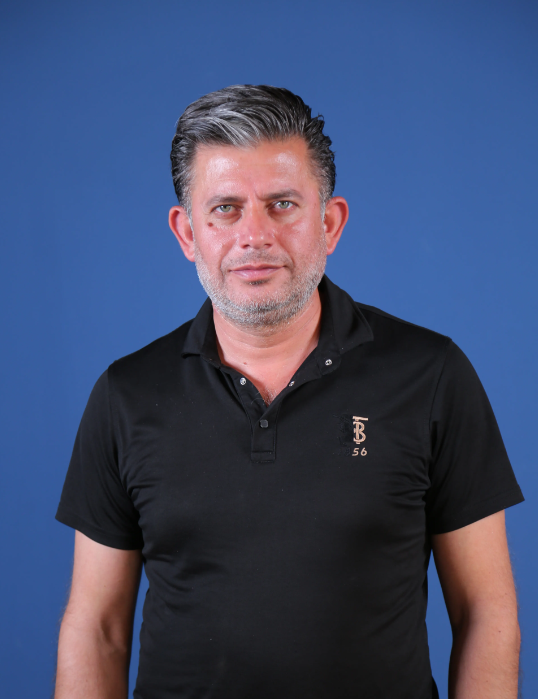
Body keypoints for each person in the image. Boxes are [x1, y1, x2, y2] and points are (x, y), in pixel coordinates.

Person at [54, 85, 524, 699]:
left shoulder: (432, 375)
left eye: (282, 204)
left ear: (329, 223)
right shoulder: (127, 394)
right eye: (225, 208)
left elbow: (486, 610)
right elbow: (97, 629)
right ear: (187, 232)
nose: (255, 235)